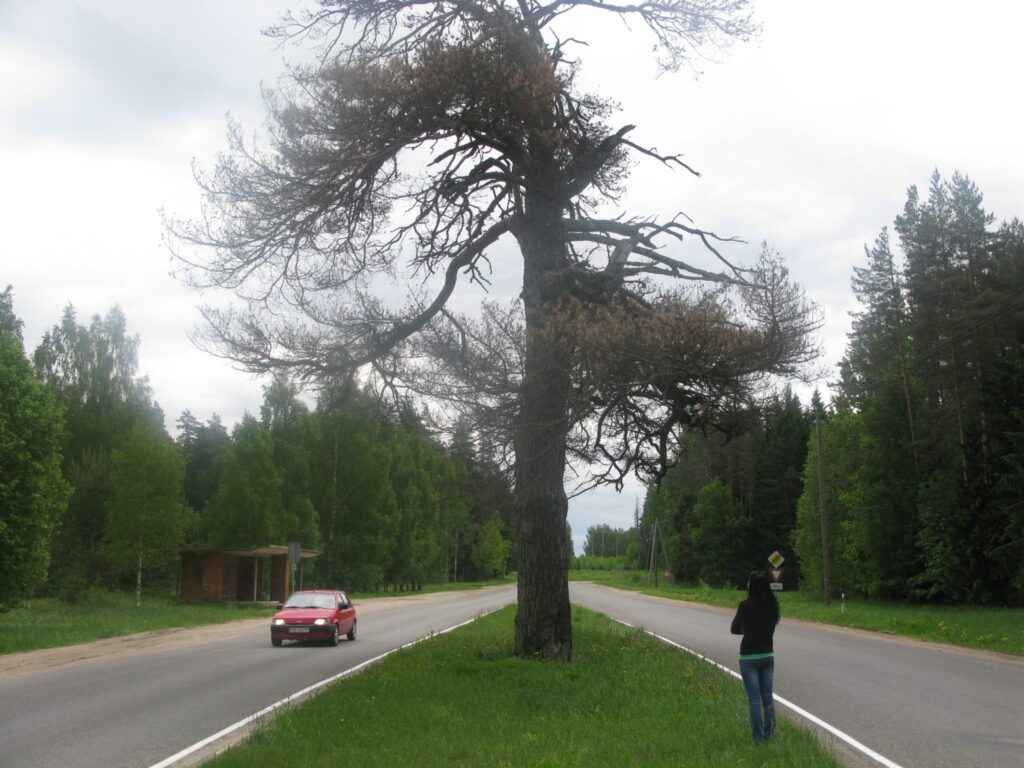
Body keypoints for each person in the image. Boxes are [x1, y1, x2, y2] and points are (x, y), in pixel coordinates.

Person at [730, 571, 780, 743]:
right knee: (767, 696)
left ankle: (758, 739)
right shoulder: (773, 606)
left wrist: (748, 630)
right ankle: (770, 734)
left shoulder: (745, 606)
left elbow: (734, 628)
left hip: (748, 657)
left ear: (751, 587)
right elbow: (770, 628)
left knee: (754, 698)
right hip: (767, 654)